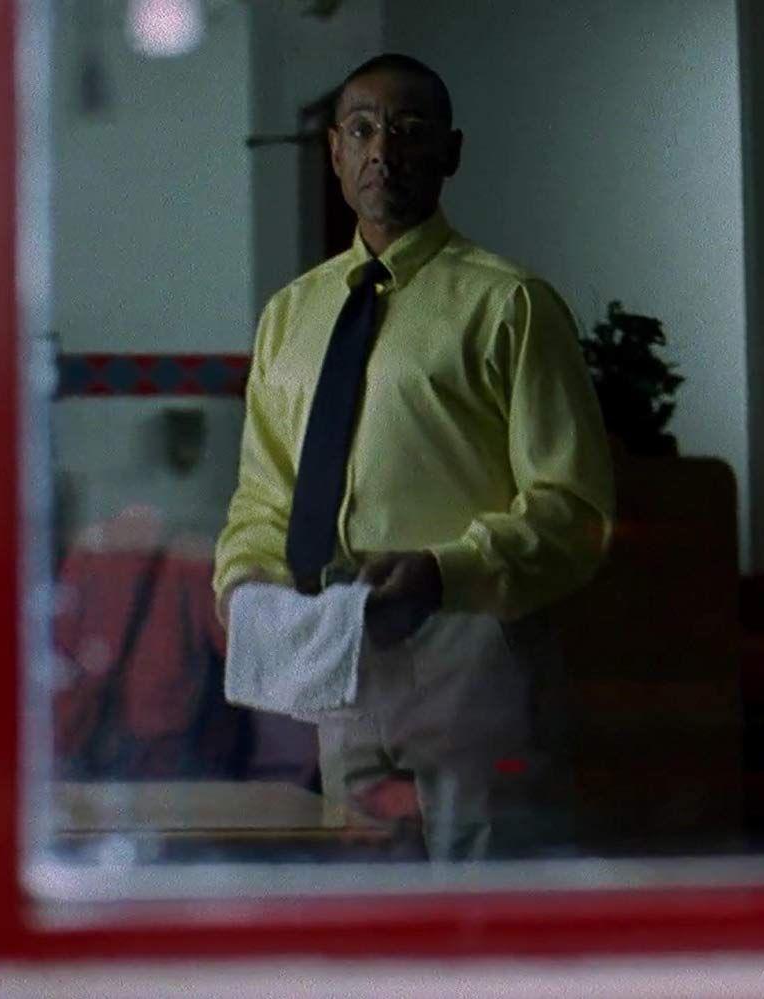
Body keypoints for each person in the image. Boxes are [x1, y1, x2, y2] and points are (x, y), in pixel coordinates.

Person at [214, 54, 614, 859]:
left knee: (487, 889)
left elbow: (572, 508)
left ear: (450, 152)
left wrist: (441, 570)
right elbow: (263, 494)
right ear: (334, 151)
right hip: (336, 642)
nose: (383, 152)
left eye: (409, 130)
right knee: (369, 893)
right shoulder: (290, 315)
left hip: (469, 636)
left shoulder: (508, 303)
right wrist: (245, 579)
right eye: (362, 130)